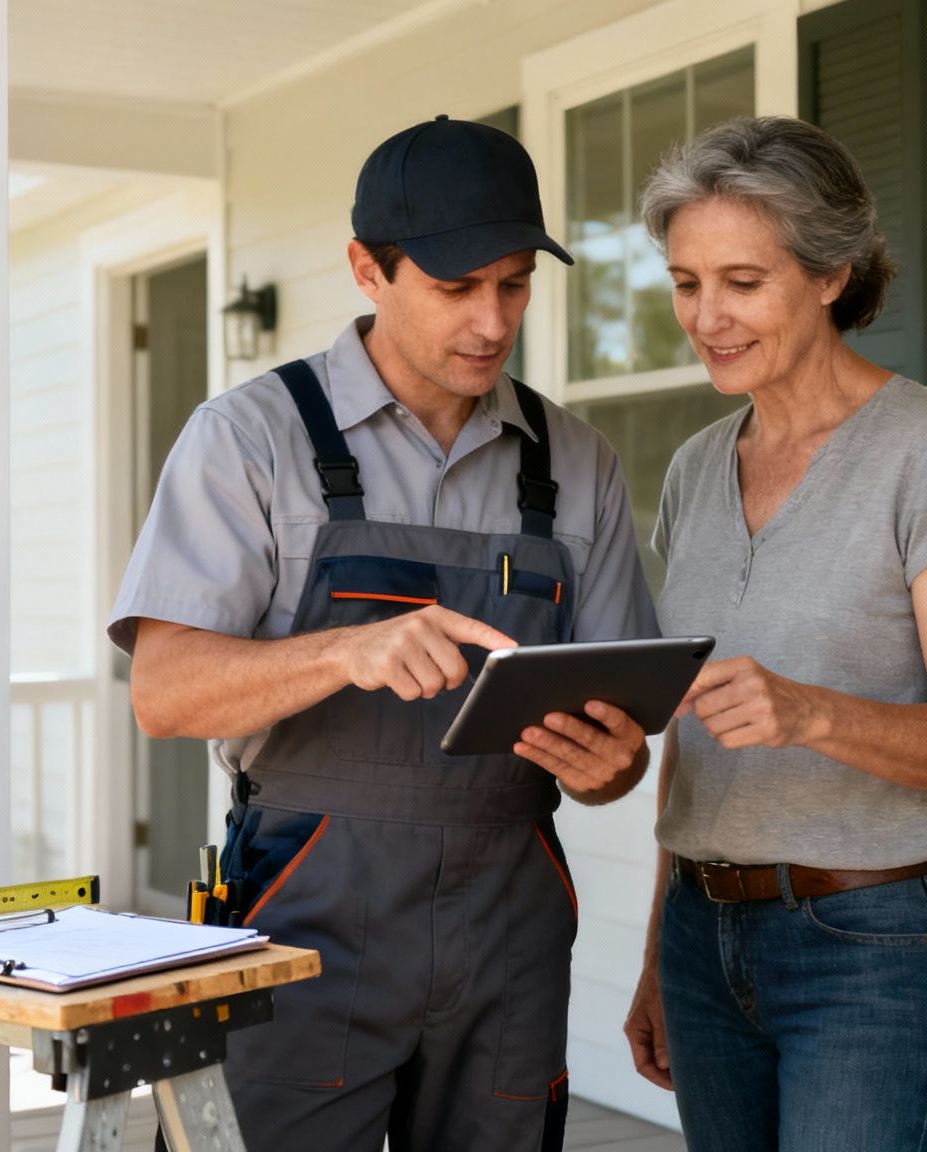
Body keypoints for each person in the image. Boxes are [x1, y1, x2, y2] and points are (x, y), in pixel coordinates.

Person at [108, 115, 659, 1151]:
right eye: (457, 289)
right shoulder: (248, 440)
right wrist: (342, 650)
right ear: (366, 268)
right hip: (307, 899)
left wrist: (608, 766)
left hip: (510, 905)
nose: (492, 321)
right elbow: (163, 693)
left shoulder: (575, 461)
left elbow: (615, 753)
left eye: (512, 284)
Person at [619, 116, 927, 1151]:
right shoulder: (694, 468)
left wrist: (807, 712)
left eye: (741, 282)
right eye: (684, 282)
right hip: (702, 937)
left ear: (830, 273)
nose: (705, 316)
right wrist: (658, 948)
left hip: (875, 949)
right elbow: (694, 736)